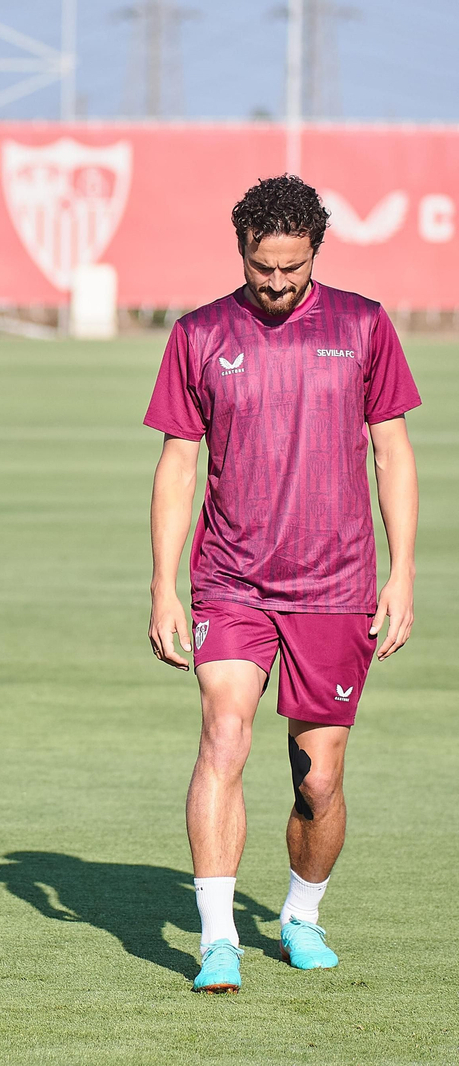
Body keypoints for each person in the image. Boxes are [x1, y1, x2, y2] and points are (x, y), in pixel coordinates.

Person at [145, 175, 420, 993]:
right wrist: (165, 586)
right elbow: (177, 465)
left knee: (319, 779)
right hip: (231, 580)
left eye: (291, 270)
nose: (275, 284)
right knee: (224, 735)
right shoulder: (199, 334)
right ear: (242, 252)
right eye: (263, 268)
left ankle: (301, 914)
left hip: (337, 587)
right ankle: (219, 938)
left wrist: (403, 573)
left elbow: (393, 452)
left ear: (315, 255)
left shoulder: (364, 325)